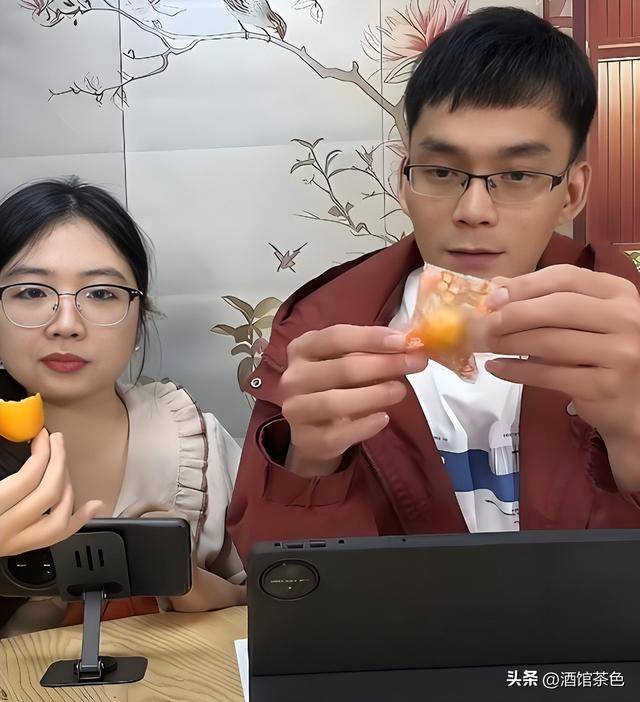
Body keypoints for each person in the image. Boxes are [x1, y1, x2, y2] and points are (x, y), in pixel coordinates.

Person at [228, 7, 640, 561]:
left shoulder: (626, 329)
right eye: (442, 172)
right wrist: (310, 463)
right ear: (405, 180)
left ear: (570, 194)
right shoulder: (324, 331)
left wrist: (632, 438)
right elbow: (279, 574)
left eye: (518, 175)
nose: (474, 210)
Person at [0, 178, 244, 637]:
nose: (66, 324)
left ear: (139, 318)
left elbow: (268, 600)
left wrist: (181, 576)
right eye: (31, 292)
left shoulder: (194, 440)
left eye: (101, 293)